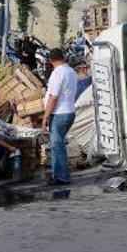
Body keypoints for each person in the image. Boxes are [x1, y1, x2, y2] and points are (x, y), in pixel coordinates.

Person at [42, 48, 78, 186]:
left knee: (57, 146)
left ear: (51, 60)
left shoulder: (57, 73)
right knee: (59, 144)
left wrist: (45, 116)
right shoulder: (71, 72)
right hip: (70, 112)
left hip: (59, 114)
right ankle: (59, 175)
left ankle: (61, 177)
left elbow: (53, 97)